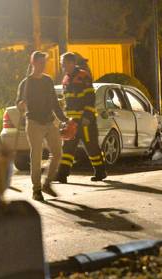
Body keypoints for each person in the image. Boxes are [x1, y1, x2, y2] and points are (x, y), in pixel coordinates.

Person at [16, 51, 65, 202]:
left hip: (49, 121)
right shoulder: (26, 83)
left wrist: (64, 119)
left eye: (45, 62)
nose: (43, 65)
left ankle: (47, 183)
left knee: (57, 153)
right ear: (33, 63)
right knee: (36, 156)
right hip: (34, 123)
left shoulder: (48, 81)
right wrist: (21, 105)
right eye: (41, 62)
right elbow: (18, 102)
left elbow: (55, 103)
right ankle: (36, 189)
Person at [57, 52, 107, 183]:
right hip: (71, 121)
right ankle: (62, 174)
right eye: (62, 65)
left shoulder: (83, 76)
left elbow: (90, 98)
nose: (63, 67)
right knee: (67, 148)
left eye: (64, 64)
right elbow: (66, 100)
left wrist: (87, 117)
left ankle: (100, 171)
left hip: (85, 121)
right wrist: (65, 118)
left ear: (72, 63)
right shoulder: (66, 79)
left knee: (92, 147)